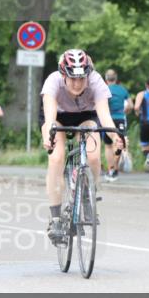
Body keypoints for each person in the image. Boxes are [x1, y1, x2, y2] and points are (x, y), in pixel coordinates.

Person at [41, 49, 125, 245]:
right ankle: (55, 219)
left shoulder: (96, 81)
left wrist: (115, 137)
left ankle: (88, 196)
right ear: (63, 75)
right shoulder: (53, 81)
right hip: (58, 118)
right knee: (56, 158)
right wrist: (48, 136)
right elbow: (50, 116)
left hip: (86, 115)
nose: (77, 84)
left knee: (94, 156)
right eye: (72, 79)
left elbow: (104, 115)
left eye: (82, 78)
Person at [103, 69, 132, 181]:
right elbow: (130, 105)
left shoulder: (104, 89)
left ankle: (111, 169)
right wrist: (124, 111)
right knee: (118, 144)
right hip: (120, 119)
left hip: (108, 120)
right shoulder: (122, 90)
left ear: (106, 79)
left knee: (108, 145)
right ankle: (115, 170)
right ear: (116, 78)